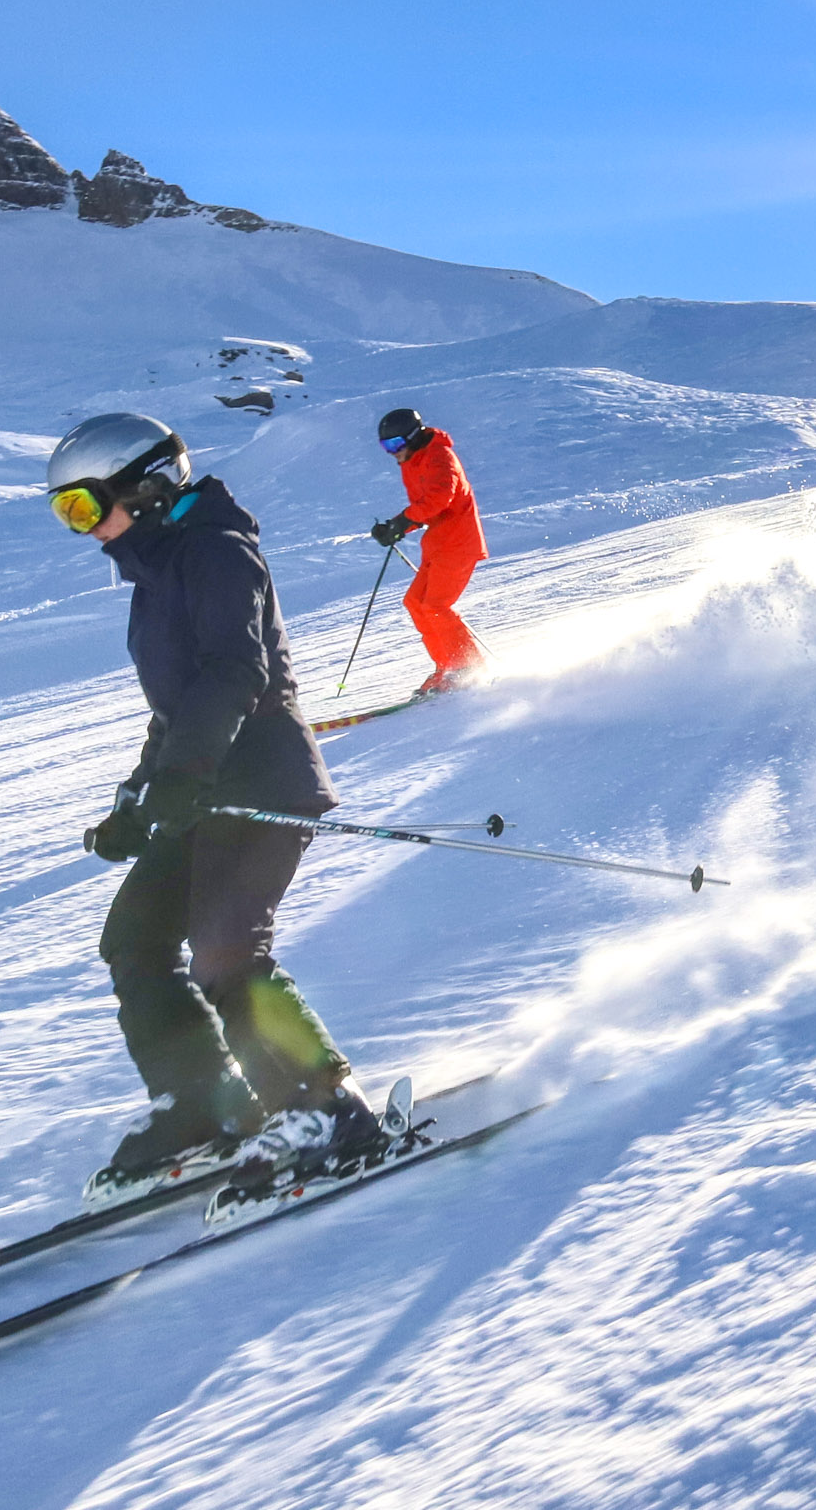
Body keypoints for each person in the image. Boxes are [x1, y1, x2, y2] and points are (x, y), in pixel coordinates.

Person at [45, 412, 380, 1206]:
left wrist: (186, 771)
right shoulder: (157, 574)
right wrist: (138, 797)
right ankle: (202, 1104)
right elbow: (175, 707)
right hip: (200, 787)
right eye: (65, 514)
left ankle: (325, 1106)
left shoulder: (218, 551)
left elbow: (235, 670)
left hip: (261, 779)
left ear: (146, 488)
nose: (82, 529)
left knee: (227, 951)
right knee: (135, 938)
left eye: (84, 507)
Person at [369, 406, 489, 694]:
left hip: (458, 544)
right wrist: (396, 528)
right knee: (415, 602)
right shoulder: (413, 461)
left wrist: (403, 520)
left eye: (395, 444)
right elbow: (426, 508)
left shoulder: (440, 456)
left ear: (412, 437)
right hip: (438, 544)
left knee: (435, 606)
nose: (392, 453)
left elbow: (440, 497)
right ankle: (447, 666)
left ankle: (469, 666)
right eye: (386, 447)